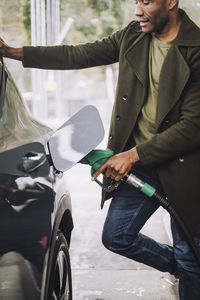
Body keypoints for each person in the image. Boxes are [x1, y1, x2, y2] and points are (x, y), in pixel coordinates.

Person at [1, 0, 200, 298]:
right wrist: (11, 52)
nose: (137, 10)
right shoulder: (133, 36)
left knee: (189, 252)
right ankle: (187, 269)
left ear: (170, 2)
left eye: (146, 2)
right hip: (141, 166)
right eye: (135, 1)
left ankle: (190, 270)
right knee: (117, 236)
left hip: (183, 170)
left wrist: (133, 155)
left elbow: (194, 125)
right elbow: (78, 54)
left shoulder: (196, 50)